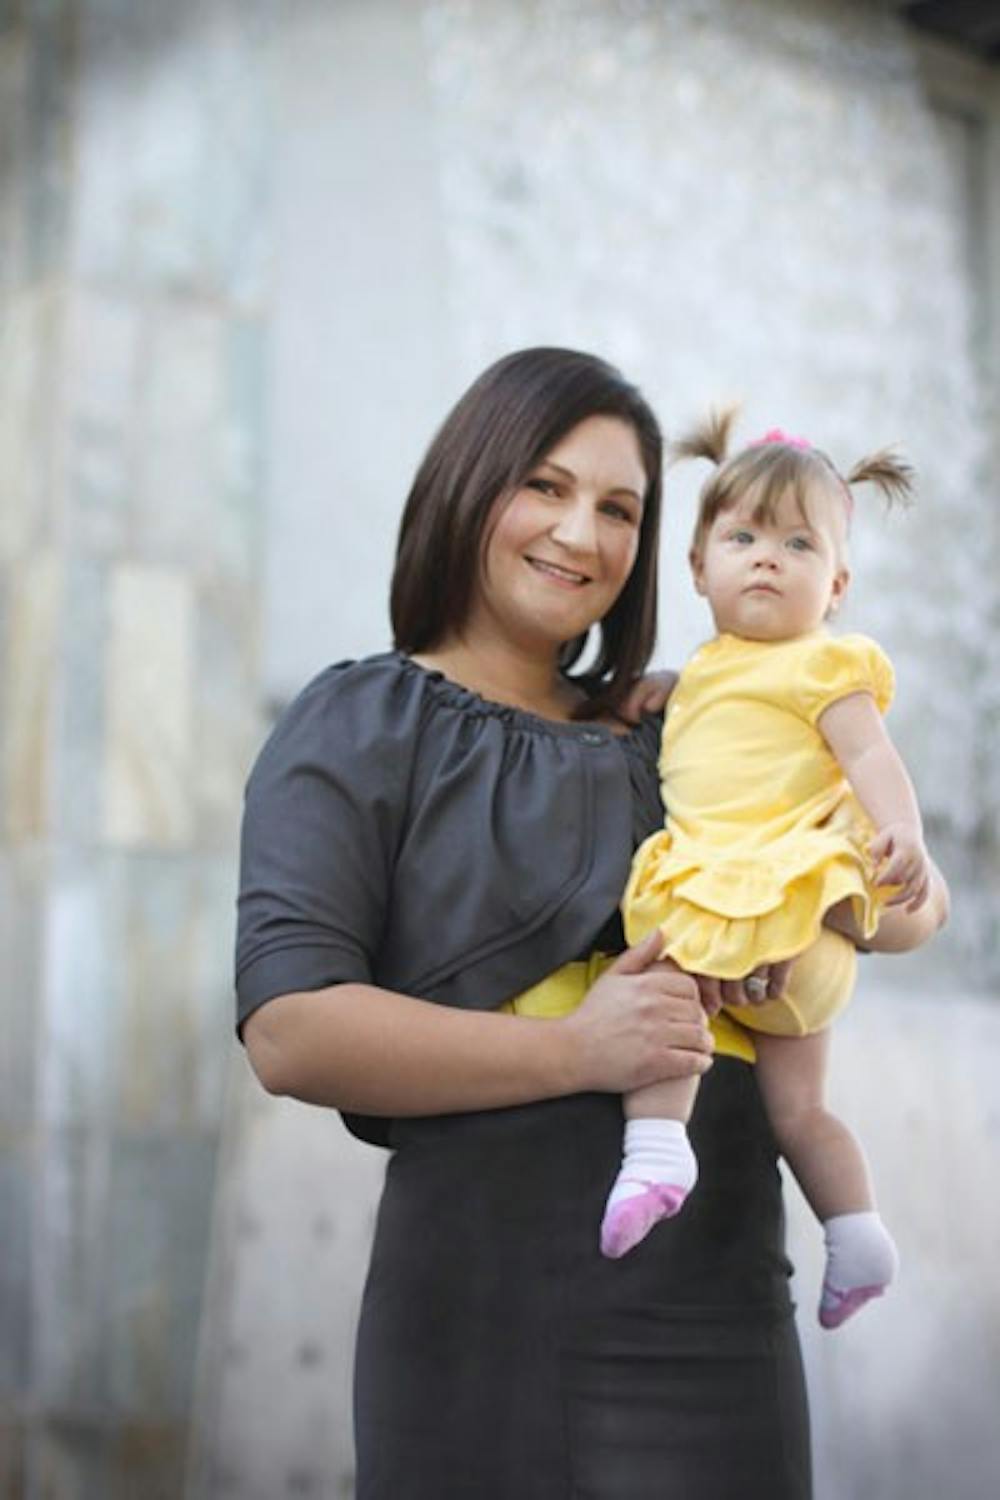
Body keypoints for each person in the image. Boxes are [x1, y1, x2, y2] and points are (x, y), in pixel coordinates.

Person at [235, 350, 948, 1500]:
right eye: (546, 486)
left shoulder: (674, 726)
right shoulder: (359, 719)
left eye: (619, 508)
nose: (581, 533)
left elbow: (917, 913)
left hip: (721, 1295)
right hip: (486, 1312)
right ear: (470, 484)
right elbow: (290, 1032)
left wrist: (827, 901)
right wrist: (578, 1048)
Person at [586, 409, 935, 1337]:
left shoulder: (824, 665)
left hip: (761, 891)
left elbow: (871, 758)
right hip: (795, 944)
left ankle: (658, 1150)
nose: (768, 559)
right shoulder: (700, 671)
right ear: (698, 567)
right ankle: (857, 1233)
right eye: (742, 538)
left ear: (837, 584)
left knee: (661, 974)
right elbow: (703, 700)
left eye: (797, 543)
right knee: (802, 1112)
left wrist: (902, 834)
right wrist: (662, 684)